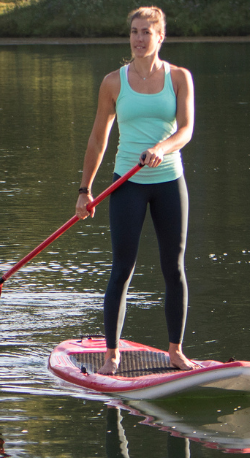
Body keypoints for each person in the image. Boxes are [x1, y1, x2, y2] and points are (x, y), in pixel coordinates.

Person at [74, 6, 197, 374]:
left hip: (169, 182)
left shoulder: (180, 78)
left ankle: (175, 351)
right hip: (127, 185)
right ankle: (111, 355)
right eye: (134, 31)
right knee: (121, 269)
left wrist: (161, 148)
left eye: (146, 32)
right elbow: (98, 139)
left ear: (161, 37)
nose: (139, 39)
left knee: (173, 267)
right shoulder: (114, 82)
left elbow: (186, 130)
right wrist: (84, 189)